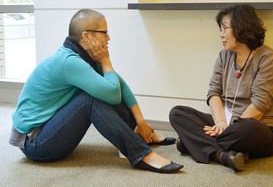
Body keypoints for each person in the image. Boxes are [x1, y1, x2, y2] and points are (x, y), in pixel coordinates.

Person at [9, 9, 183, 173]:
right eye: (104, 32)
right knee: (91, 99)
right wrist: (106, 60)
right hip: (35, 143)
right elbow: (113, 95)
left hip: (48, 128)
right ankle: (141, 154)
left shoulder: (83, 56)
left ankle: (139, 133)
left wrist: (141, 122)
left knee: (107, 86)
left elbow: (120, 86)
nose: (108, 38)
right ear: (86, 36)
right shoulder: (69, 62)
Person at [169, 4, 273, 172]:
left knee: (248, 128)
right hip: (225, 123)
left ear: (241, 28)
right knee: (178, 113)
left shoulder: (268, 58)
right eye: (221, 29)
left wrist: (229, 128)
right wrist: (221, 122)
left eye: (225, 28)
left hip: (260, 127)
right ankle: (222, 155)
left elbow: (259, 107)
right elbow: (214, 92)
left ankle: (193, 144)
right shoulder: (224, 56)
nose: (221, 34)